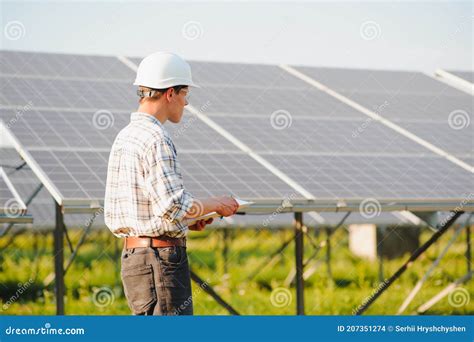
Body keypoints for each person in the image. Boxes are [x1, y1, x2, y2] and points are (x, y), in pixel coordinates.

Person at [104, 51, 239, 315]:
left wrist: (188, 219)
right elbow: (173, 205)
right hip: (160, 261)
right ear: (169, 93)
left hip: (136, 259)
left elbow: (149, 210)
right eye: (185, 94)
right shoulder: (156, 138)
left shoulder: (125, 137)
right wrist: (217, 204)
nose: (186, 103)